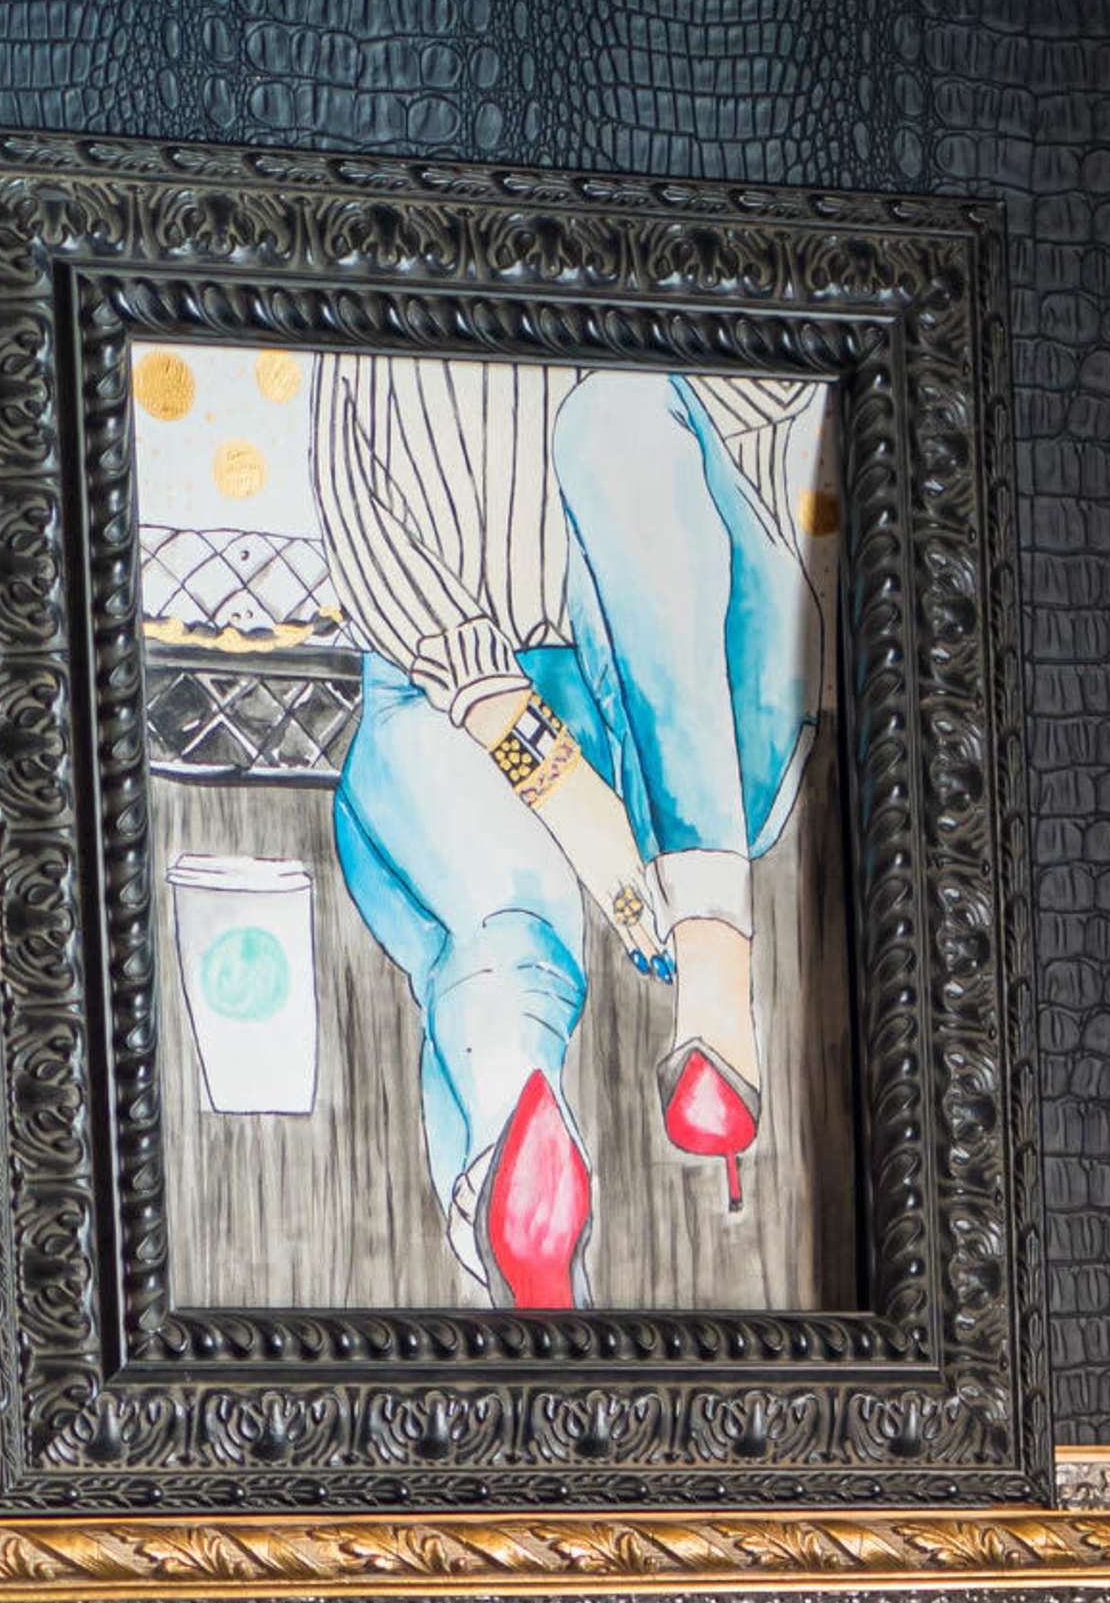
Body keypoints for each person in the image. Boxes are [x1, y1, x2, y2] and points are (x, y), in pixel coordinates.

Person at [313, 360, 826, 1304]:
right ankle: (708, 993)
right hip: (560, 698)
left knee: (503, 919)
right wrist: (563, 786)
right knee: (620, 413)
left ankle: (517, 1137)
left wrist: (551, 775)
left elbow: (365, 514)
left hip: (667, 682)